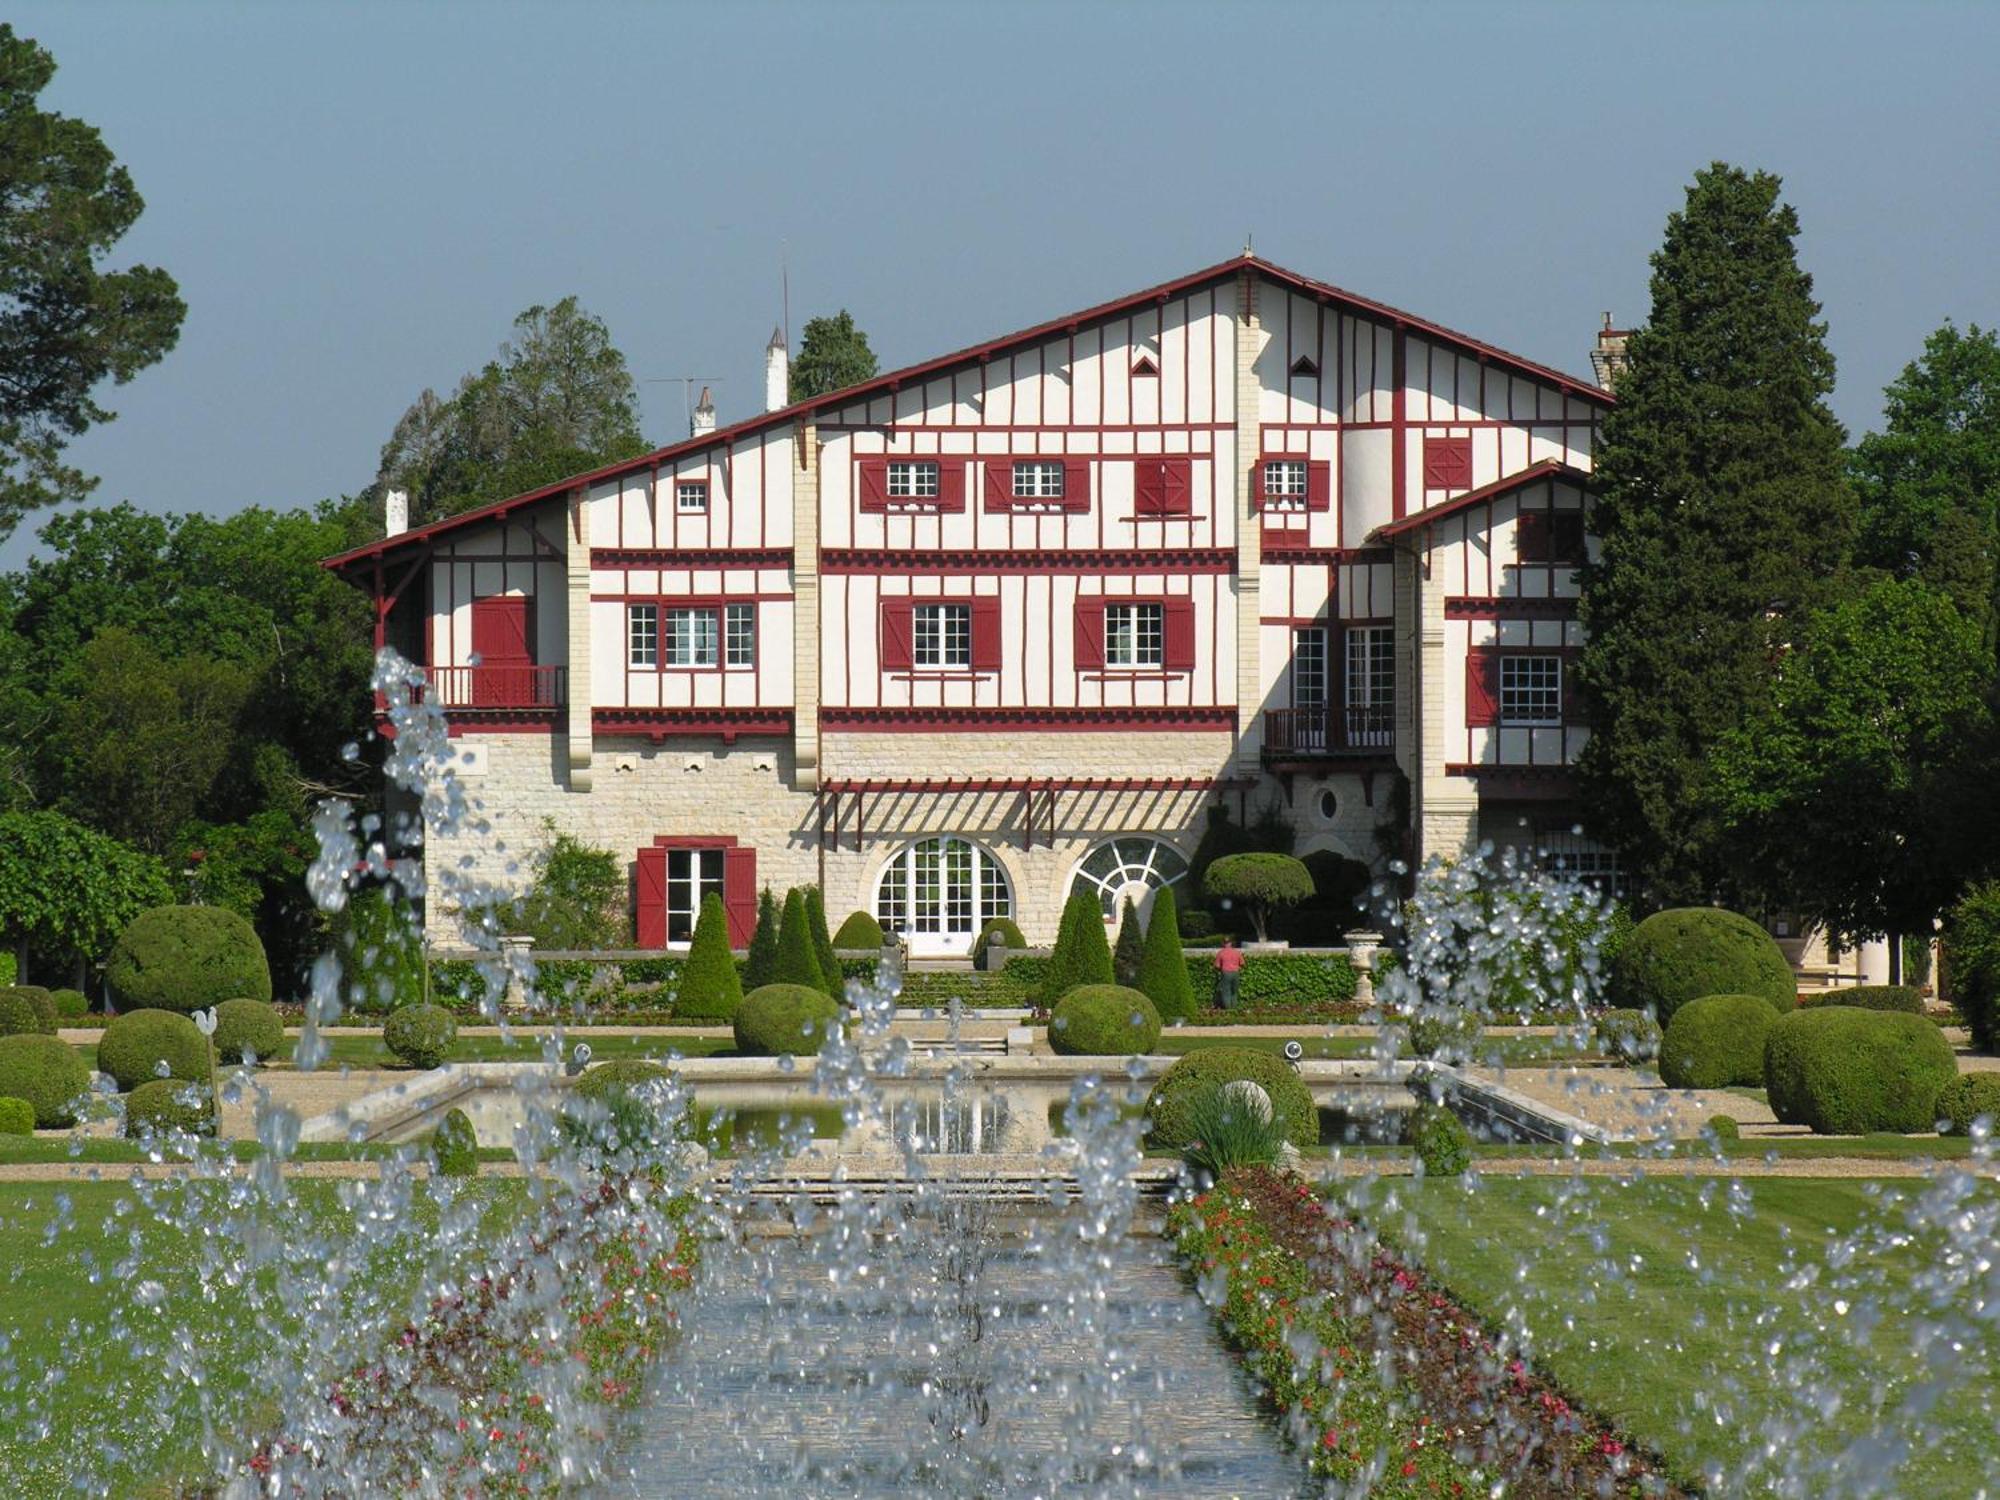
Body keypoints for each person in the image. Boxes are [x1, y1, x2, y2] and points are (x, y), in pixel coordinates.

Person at [1215, 935, 1243, 1011]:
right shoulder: (1237, 952)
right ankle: (1234, 1008)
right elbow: (1243, 963)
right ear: (1231, 943)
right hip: (1235, 972)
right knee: (1234, 991)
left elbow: (1217, 966)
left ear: (1223, 943)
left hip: (1226, 972)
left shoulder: (1220, 953)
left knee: (1226, 991)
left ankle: (1228, 1009)